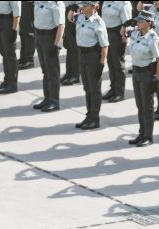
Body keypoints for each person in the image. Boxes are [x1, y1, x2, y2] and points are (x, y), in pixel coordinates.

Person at [71, 0, 108, 131]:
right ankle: (89, 116)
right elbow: (70, 17)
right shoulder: (81, 17)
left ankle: (95, 119)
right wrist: (74, 7)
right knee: (87, 88)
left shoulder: (98, 23)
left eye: (85, 5)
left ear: (94, 7)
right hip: (82, 54)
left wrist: (102, 63)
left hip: (93, 56)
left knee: (94, 89)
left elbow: (104, 46)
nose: (83, 7)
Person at [128, 10, 159, 148]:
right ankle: (141, 133)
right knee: (140, 105)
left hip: (147, 73)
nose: (138, 23)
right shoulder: (136, 33)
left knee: (147, 107)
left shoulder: (153, 38)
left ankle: (148, 136)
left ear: (149, 23)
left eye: (141, 21)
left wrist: (157, 78)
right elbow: (123, 34)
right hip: (136, 72)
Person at [33, 0, 65, 111]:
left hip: (50, 38)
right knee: (45, 70)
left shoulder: (57, 5)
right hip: (39, 36)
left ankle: (54, 101)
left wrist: (56, 45)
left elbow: (61, 26)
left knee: (52, 72)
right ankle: (47, 98)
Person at [101, 1, 132, 104]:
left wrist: (125, 38)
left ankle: (119, 92)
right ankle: (113, 88)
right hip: (106, 33)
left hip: (117, 34)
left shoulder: (123, 4)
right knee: (111, 63)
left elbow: (128, 23)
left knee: (118, 64)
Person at [0, 0, 20, 94]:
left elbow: (17, 13)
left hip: (7, 21)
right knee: (3, 52)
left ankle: (12, 84)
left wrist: (14, 30)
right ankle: (7, 80)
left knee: (9, 54)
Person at [61, 1, 81, 86]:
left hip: (74, 10)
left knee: (74, 46)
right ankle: (69, 72)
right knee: (69, 45)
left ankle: (75, 75)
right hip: (65, 9)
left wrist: (73, 9)